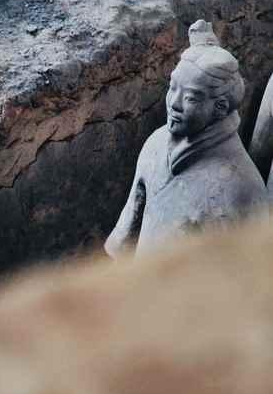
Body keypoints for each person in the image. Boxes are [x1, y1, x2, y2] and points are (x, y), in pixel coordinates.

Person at [106, 21, 267, 258]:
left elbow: (250, 283)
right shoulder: (156, 144)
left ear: (220, 107)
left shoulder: (242, 188)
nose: (174, 103)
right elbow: (123, 244)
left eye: (190, 98)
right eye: (173, 88)